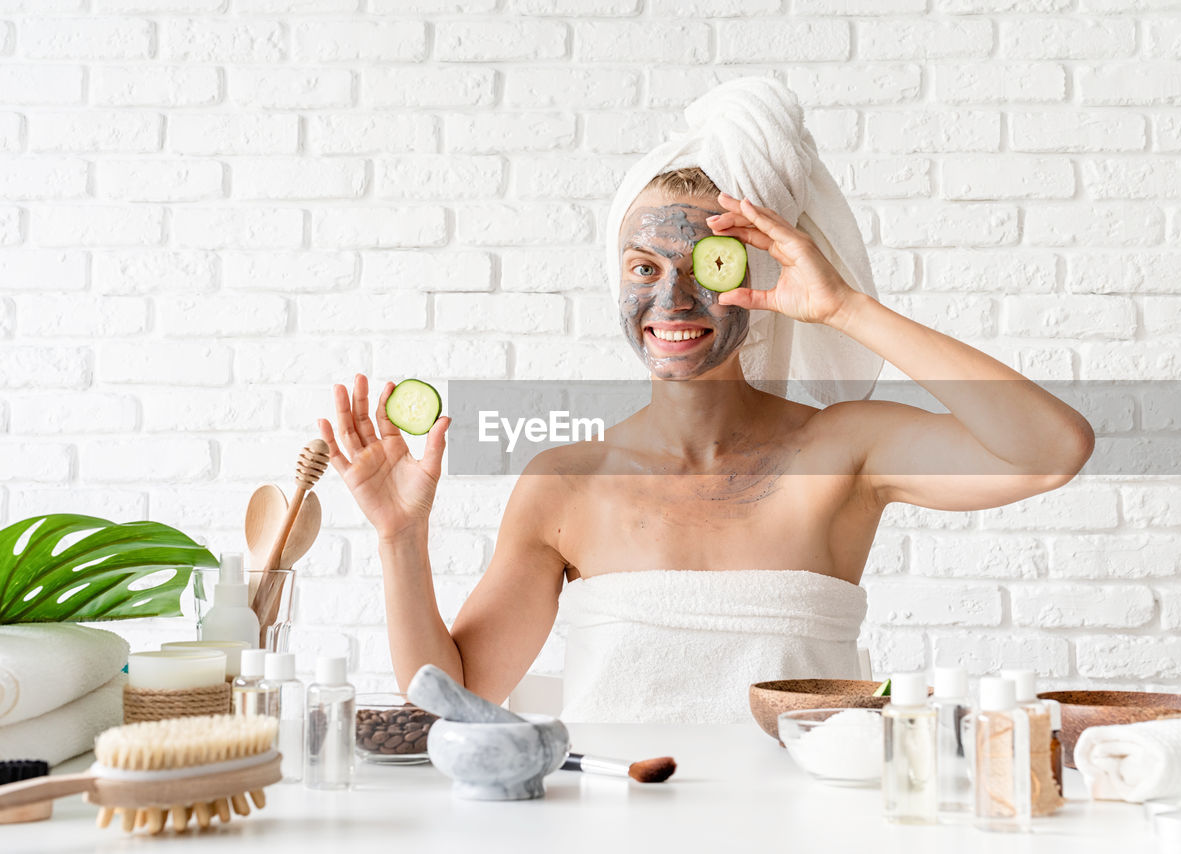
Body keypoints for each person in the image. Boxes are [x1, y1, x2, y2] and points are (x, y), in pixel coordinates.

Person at [318, 79, 1094, 724]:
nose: (674, 298)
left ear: (762, 279)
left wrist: (845, 308)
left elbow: (1052, 451)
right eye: (644, 267)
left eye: (708, 265)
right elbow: (451, 703)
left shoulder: (845, 450)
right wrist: (399, 535)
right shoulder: (565, 483)